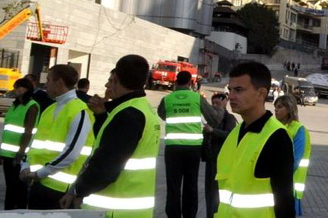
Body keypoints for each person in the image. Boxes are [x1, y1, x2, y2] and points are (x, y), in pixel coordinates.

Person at [67, 54, 160, 216]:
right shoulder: (142, 108)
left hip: (111, 210)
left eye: (111, 80)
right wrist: (102, 116)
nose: (106, 84)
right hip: (134, 209)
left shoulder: (127, 114)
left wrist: (78, 191)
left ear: (117, 78)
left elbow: (107, 166)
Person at [218, 61, 295, 217]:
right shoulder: (235, 133)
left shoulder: (277, 137)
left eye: (239, 90)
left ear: (261, 93)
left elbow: (284, 201)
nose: (231, 96)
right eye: (230, 90)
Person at [22, 64, 94, 209]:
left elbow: (72, 152)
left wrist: (40, 173)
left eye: (48, 80)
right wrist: (25, 165)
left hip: (60, 190)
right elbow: (35, 143)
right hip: (38, 183)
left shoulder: (79, 111)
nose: (45, 84)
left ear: (59, 82)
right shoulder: (50, 109)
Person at [158, 70, 216, 218]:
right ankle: (190, 215)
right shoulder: (197, 98)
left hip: (173, 148)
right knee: (191, 184)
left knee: (173, 185)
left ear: (176, 82)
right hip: (193, 148)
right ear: (191, 82)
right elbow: (213, 118)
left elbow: (162, 114)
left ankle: (173, 215)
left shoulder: (167, 99)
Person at [1, 78, 40, 209]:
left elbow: (28, 132)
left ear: (28, 89)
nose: (17, 90)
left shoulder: (32, 106)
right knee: (10, 187)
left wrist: (21, 153)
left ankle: (19, 212)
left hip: (19, 155)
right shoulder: (14, 105)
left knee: (18, 188)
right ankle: (8, 211)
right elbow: (8, 129)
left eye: (20, 87)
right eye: (16, 87)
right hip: (7, 153)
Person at [274, 95, 311, 216]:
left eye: (279, 107)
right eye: (275, 107)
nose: (276, 110)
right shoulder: (274, 127)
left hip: (290, 185)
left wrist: (278, 176)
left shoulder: (298, 129)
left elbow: (295, 160)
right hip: (274, 184)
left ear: (289, 109)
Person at [202, 92, 237, 216]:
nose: (215, 106)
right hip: (211, 160)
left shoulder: (230, 119)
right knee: (209, 193)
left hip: (223, 162)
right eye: (213, 103)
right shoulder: (211, 119)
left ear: (225, 102)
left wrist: (212, 131)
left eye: (218, 103)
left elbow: (230, 135)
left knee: (218, 193)